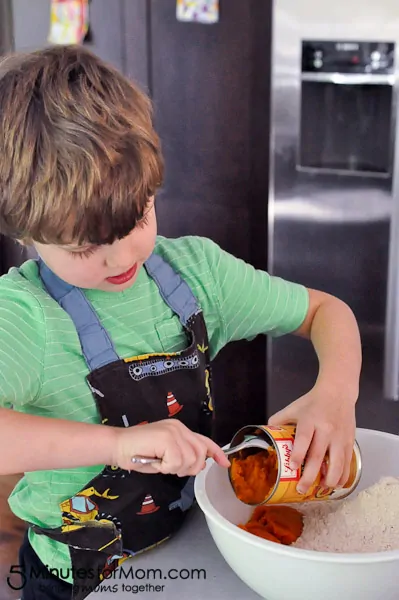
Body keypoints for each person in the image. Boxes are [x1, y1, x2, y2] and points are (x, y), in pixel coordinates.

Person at [0, 45, 361, 600]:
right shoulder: (23, 316)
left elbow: (326, 312)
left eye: (139, 216)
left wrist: (334, 394)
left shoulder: (196, 275)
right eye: (85, 246)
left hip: (186, 545)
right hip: (72, 579)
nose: (123, 259)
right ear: (25, 231)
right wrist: (118, 446)